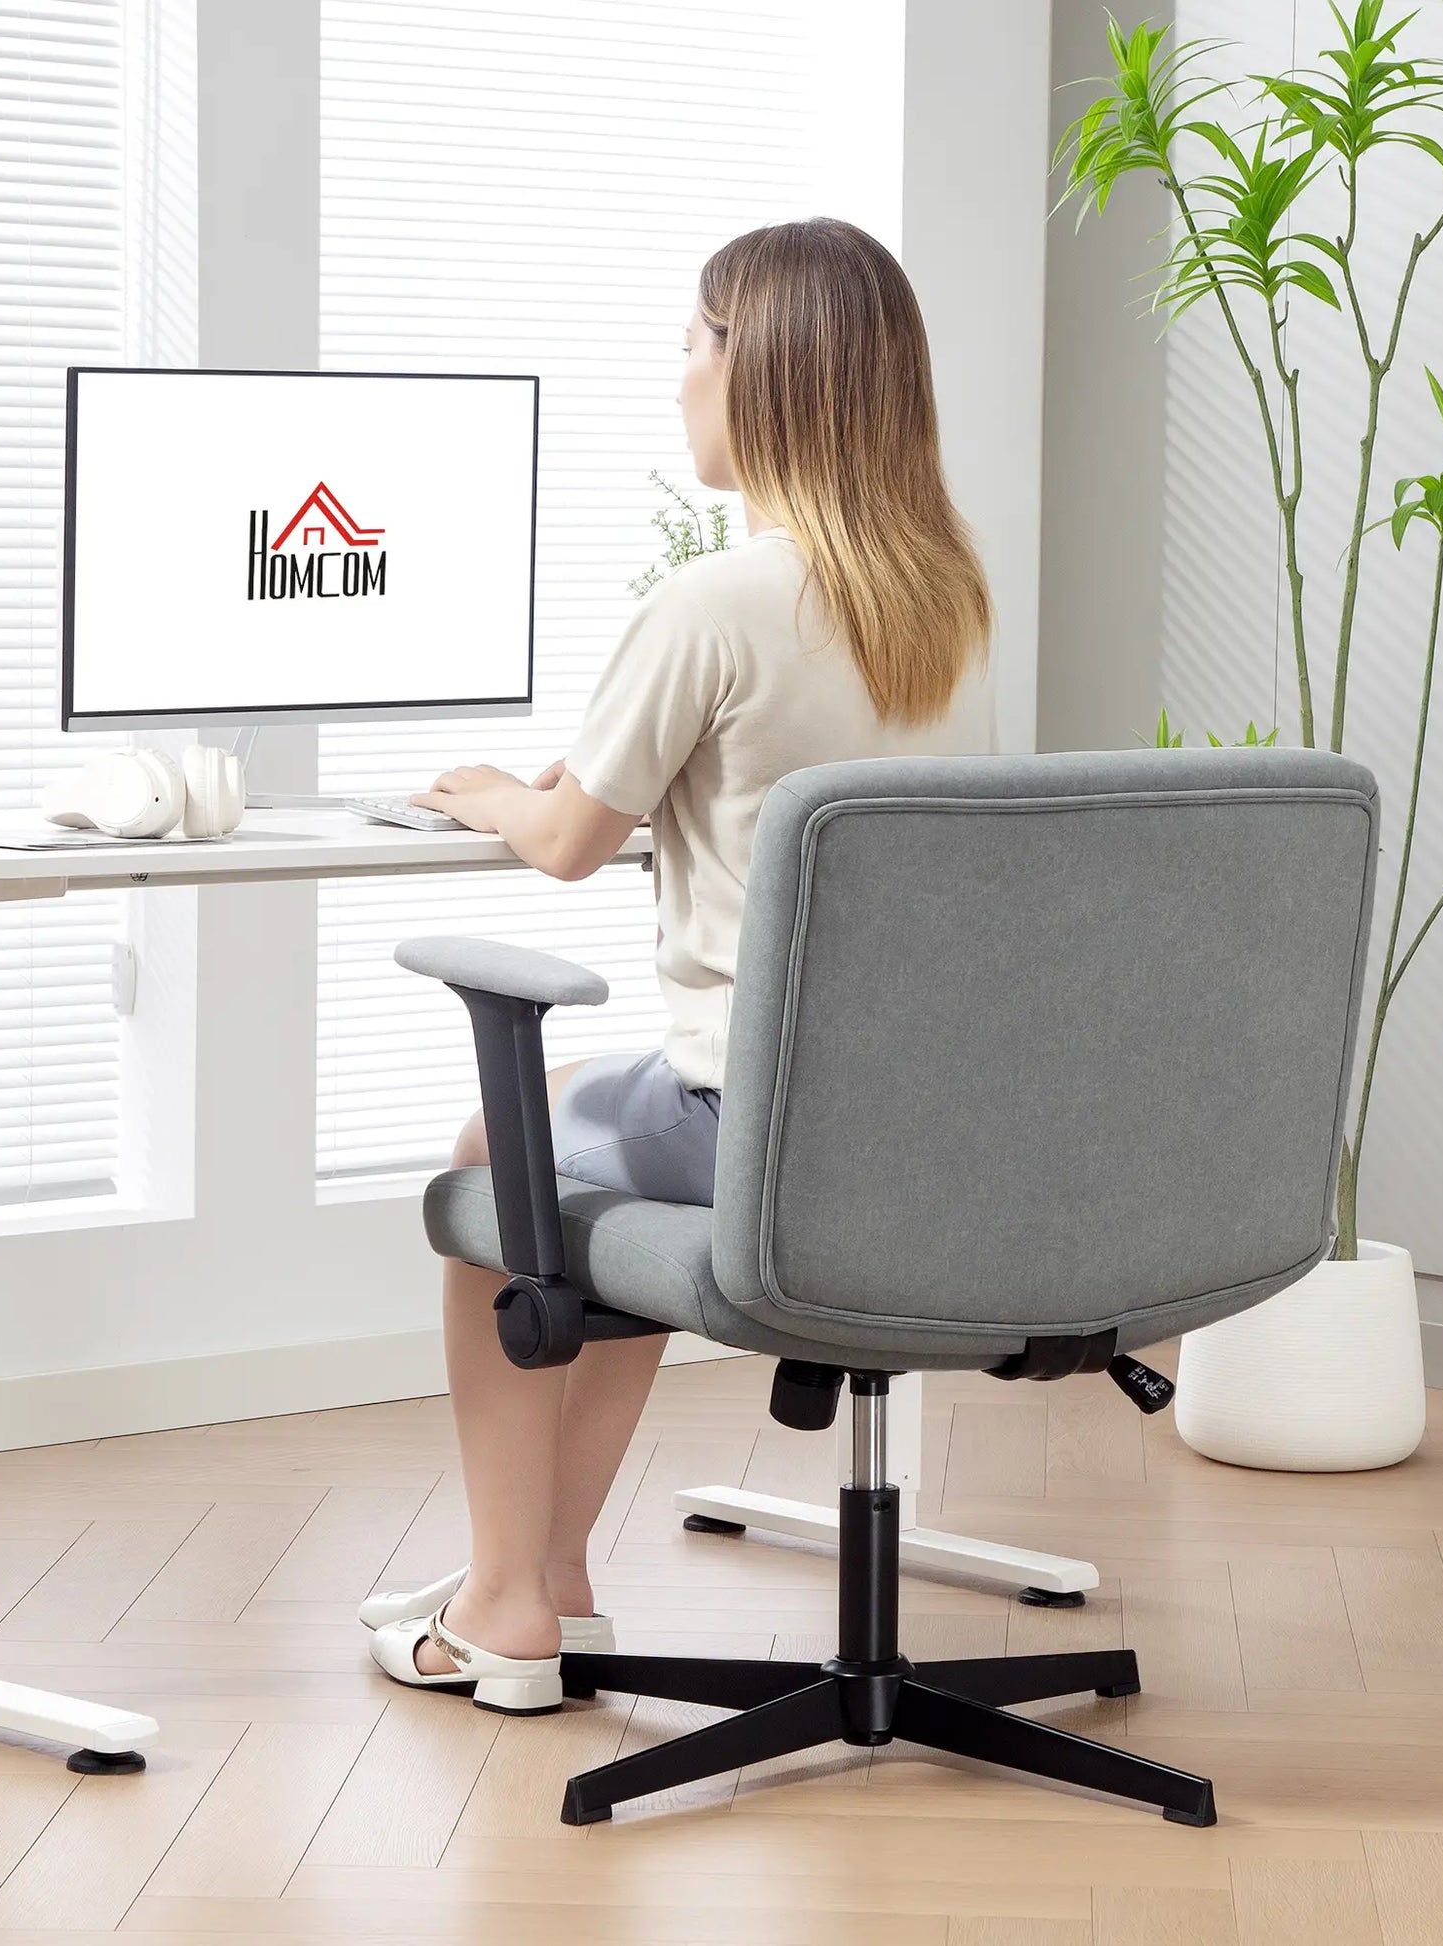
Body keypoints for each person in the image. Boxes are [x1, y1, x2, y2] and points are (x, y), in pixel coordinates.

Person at [365, 216, 995, 1709]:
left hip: (747, 1128)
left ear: (764, 373)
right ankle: (553, 1567)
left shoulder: (712, 605)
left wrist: (488, 793)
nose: (678, 378)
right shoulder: (944, 601)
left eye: (696, 343)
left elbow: (571, 838)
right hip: (919, 1128)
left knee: (490, 1160)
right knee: (597, 1162)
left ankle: (508, 1604)